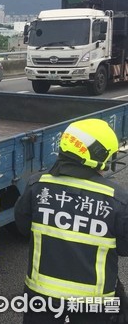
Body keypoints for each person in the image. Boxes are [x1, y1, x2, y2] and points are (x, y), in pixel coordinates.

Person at [14, 118, 128, 324]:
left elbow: (23, 228)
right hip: (94, 305)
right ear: (100, 156)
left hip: (39, 299)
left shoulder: (37, 186)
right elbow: (125, 247)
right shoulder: (117, 199)